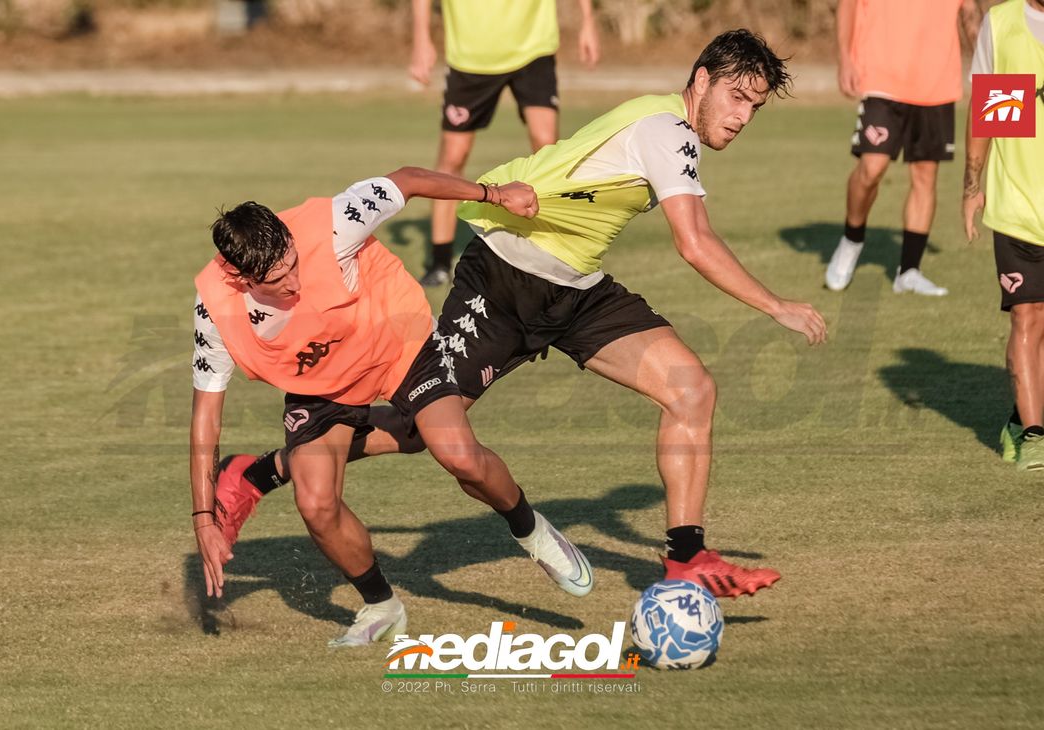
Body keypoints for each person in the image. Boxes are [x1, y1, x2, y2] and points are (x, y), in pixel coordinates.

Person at [220, 30, 827, 599]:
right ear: (701, 81)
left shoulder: (667, 128)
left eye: (754, 107)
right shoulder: (667, 130)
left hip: (575, 289)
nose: (742, 117)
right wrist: (777, 305)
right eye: (736, 97)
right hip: (505, 275)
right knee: (419, 428)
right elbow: (694, 243)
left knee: (691, 390)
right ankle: (258, 474)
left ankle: (686, 557)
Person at [190, 168, 593, 648]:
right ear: (240, 278)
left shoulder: (336, 222)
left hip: (395, 344)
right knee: (316, 504)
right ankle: (381, 606)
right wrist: (204, 520)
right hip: (322, 383)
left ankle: (533, 532)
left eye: (295, 263)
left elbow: (409, 180)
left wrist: (495, 194)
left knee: (458, 455)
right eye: (279, 279)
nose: (296, 282)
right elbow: (205, 419)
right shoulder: (214, 310)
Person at [408, 0, 600, 286]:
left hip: (533, 47)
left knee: (547, 146)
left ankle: (557, 252)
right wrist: (421, 39)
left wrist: (588, 21)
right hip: (471, 56)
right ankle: (439, 262)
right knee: (453, 157)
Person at [826, 0, 982, 295]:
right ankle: (852, 239)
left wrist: (985, 58)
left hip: (937, 82)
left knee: (925, 176)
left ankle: (909, 271)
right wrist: (845, 58)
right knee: (872, 168)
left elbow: (970, 11)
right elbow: (848, 4)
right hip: (881, 76)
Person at [963, 0, 1044, 469]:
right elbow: (991, 112)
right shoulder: (1005, 24)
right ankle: (1035, 435)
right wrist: (972, 187)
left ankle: (1020, 416)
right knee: (1027, 317)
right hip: (1017, 207)